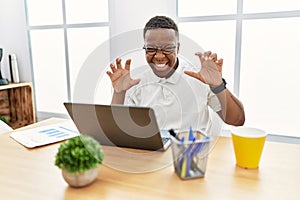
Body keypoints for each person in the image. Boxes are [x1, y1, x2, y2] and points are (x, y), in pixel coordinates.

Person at [106, 15, 245, 132]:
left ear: (178, 48)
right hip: (151, 158)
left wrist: (218, 85)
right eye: (151, 49)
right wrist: (118, 93)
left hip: (192, 155)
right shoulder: (134, 82)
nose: (159, 56)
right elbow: (115, 131)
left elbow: (237, 120)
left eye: (167, 48)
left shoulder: (200, 77)